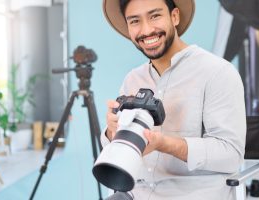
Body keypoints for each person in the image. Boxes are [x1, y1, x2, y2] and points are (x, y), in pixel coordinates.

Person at [100, 0, 246, 199]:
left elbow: (230, 155)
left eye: (155, 16)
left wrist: (165, 144)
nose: (146, 30)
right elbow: (119, 154)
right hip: (137, 193)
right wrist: (112, 131)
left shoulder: (217, 73)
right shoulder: (132, 79)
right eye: (135, 21)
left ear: (174, 16)